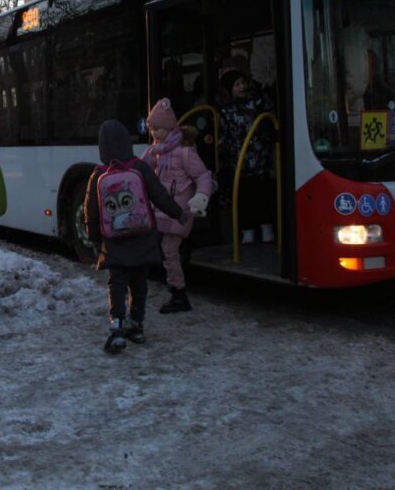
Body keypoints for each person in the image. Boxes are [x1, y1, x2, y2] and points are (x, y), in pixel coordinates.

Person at [84, 119, 188, 354]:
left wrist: (94, 239)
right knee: (139, 284)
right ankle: (137, 326)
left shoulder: (98, 174)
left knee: (117, 284)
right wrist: (178, 214)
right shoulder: (140, 168)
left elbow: (91, 211)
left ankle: (117, 327)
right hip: (143, 239)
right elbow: (159, 196)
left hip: (114, 243)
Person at [141, 98, 214, 314]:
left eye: (159, 129)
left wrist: (201, 196)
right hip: (162, 209)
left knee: (168, 250)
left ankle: (179, 294)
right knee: (164, 249)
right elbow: (142, 168)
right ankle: (176, 284)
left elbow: (203, 175)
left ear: (170, 127)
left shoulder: (184, 152)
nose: (154, 134)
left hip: (179, 210)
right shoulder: (158, 151)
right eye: (152, 129)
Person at [218, 70, 276, 245]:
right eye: (237, 85)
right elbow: (225, 135)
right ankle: (247, 230)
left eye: (243, 83)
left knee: (263, 194)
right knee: (244, 198)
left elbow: (269, 123)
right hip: (239, 162)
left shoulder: (258, 102)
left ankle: (267, 228)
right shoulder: (227, 110)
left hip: (260, 158)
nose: (242, 87)